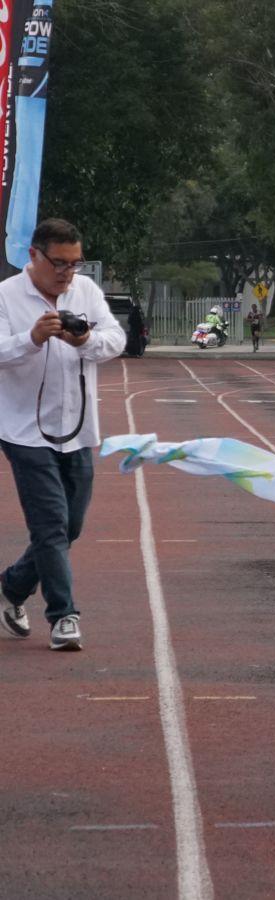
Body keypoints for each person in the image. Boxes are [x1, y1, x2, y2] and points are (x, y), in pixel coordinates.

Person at [0, 218, 127, 651]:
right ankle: (64, 616)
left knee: (69, 527)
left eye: (75, 264)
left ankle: (13, 587)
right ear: (33, 255)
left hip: (78, 429)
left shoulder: (86, 292)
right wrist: (31, 338)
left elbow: (116, 340)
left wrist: (85, 339)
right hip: (23, 432)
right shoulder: (6, 296)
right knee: (51, 525)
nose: (67, 273)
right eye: (59, 263)